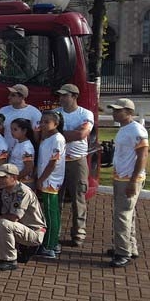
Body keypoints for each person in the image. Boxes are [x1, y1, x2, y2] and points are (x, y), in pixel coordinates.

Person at [0, 164, 47, 271]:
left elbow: (14, 217)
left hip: (33, 231)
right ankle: (17, 250)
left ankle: (9, 260)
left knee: (3, 223)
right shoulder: (6, 191)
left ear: (14, 178)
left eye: (3, 177)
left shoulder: (23, 192)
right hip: (19, 228)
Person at [107, 98, 148, 268]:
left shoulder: (136, 130)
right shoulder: (124, 129)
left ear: (129, 112)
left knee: (122, 216)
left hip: (129, 179)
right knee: (127, 214)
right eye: (114, 110)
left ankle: (123, 252)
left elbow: (143, 156)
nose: (114, 113)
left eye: (118, 110)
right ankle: (130, 247)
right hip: (121, 177)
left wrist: (132, 180)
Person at [55, 83, 94, 247]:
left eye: (65, 95)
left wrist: (59, 134)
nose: (62, 98)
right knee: (56, 198)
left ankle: (78, 233)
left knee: (78, 198)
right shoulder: (56, 113)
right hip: (58, 160)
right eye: (61, 95)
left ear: (74, 96)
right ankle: (54, 232)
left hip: (77, 161)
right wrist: (71, 134)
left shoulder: (85, 113)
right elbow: (47, 134)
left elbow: (82, 133)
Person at [35, 110, 66, 259]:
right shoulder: (47, 137)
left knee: (50, 213)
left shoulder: (57, 139)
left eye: (47, 122)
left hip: (50, 181)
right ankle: (52, 243)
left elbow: (53, 162)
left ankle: (49, 246)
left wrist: (41, 179)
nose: (43, 124)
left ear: (56, 123)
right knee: (50, 212)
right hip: (47, 179)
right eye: (42, 121)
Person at [0, 84, 42, 150]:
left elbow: (36, 135)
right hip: (6, 151)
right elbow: (0, 132)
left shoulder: (34, 113)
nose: (9, 97)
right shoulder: (3, 110)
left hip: (23, 153)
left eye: (13, 95)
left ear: (22, 97)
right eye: (10, 94)